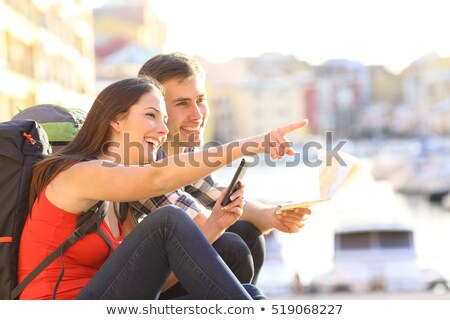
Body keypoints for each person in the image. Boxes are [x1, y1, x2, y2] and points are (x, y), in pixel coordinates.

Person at [17, 76, 308, 300]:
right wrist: (252, 144)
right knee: (168, 220)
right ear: (116, 119)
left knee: (250, 294)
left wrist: (216, 224)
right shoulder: (77, 174)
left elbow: (156, 278)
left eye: (164, 120)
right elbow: (158, 177)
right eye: (151, 116)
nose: (164, 129)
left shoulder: (119, 202)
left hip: (102, 303)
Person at [137, 52, 312, 298]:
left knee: (247, 232)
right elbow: (201, 229)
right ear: (154, 111)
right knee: (231, 247)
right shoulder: (142, 157)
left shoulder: (180, 151)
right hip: (144, 289)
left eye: (200, 99)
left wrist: (275, 216)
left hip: (168, 267)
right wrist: (256, 143)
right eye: (182, 104)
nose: (198, 114)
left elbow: (217, 197)